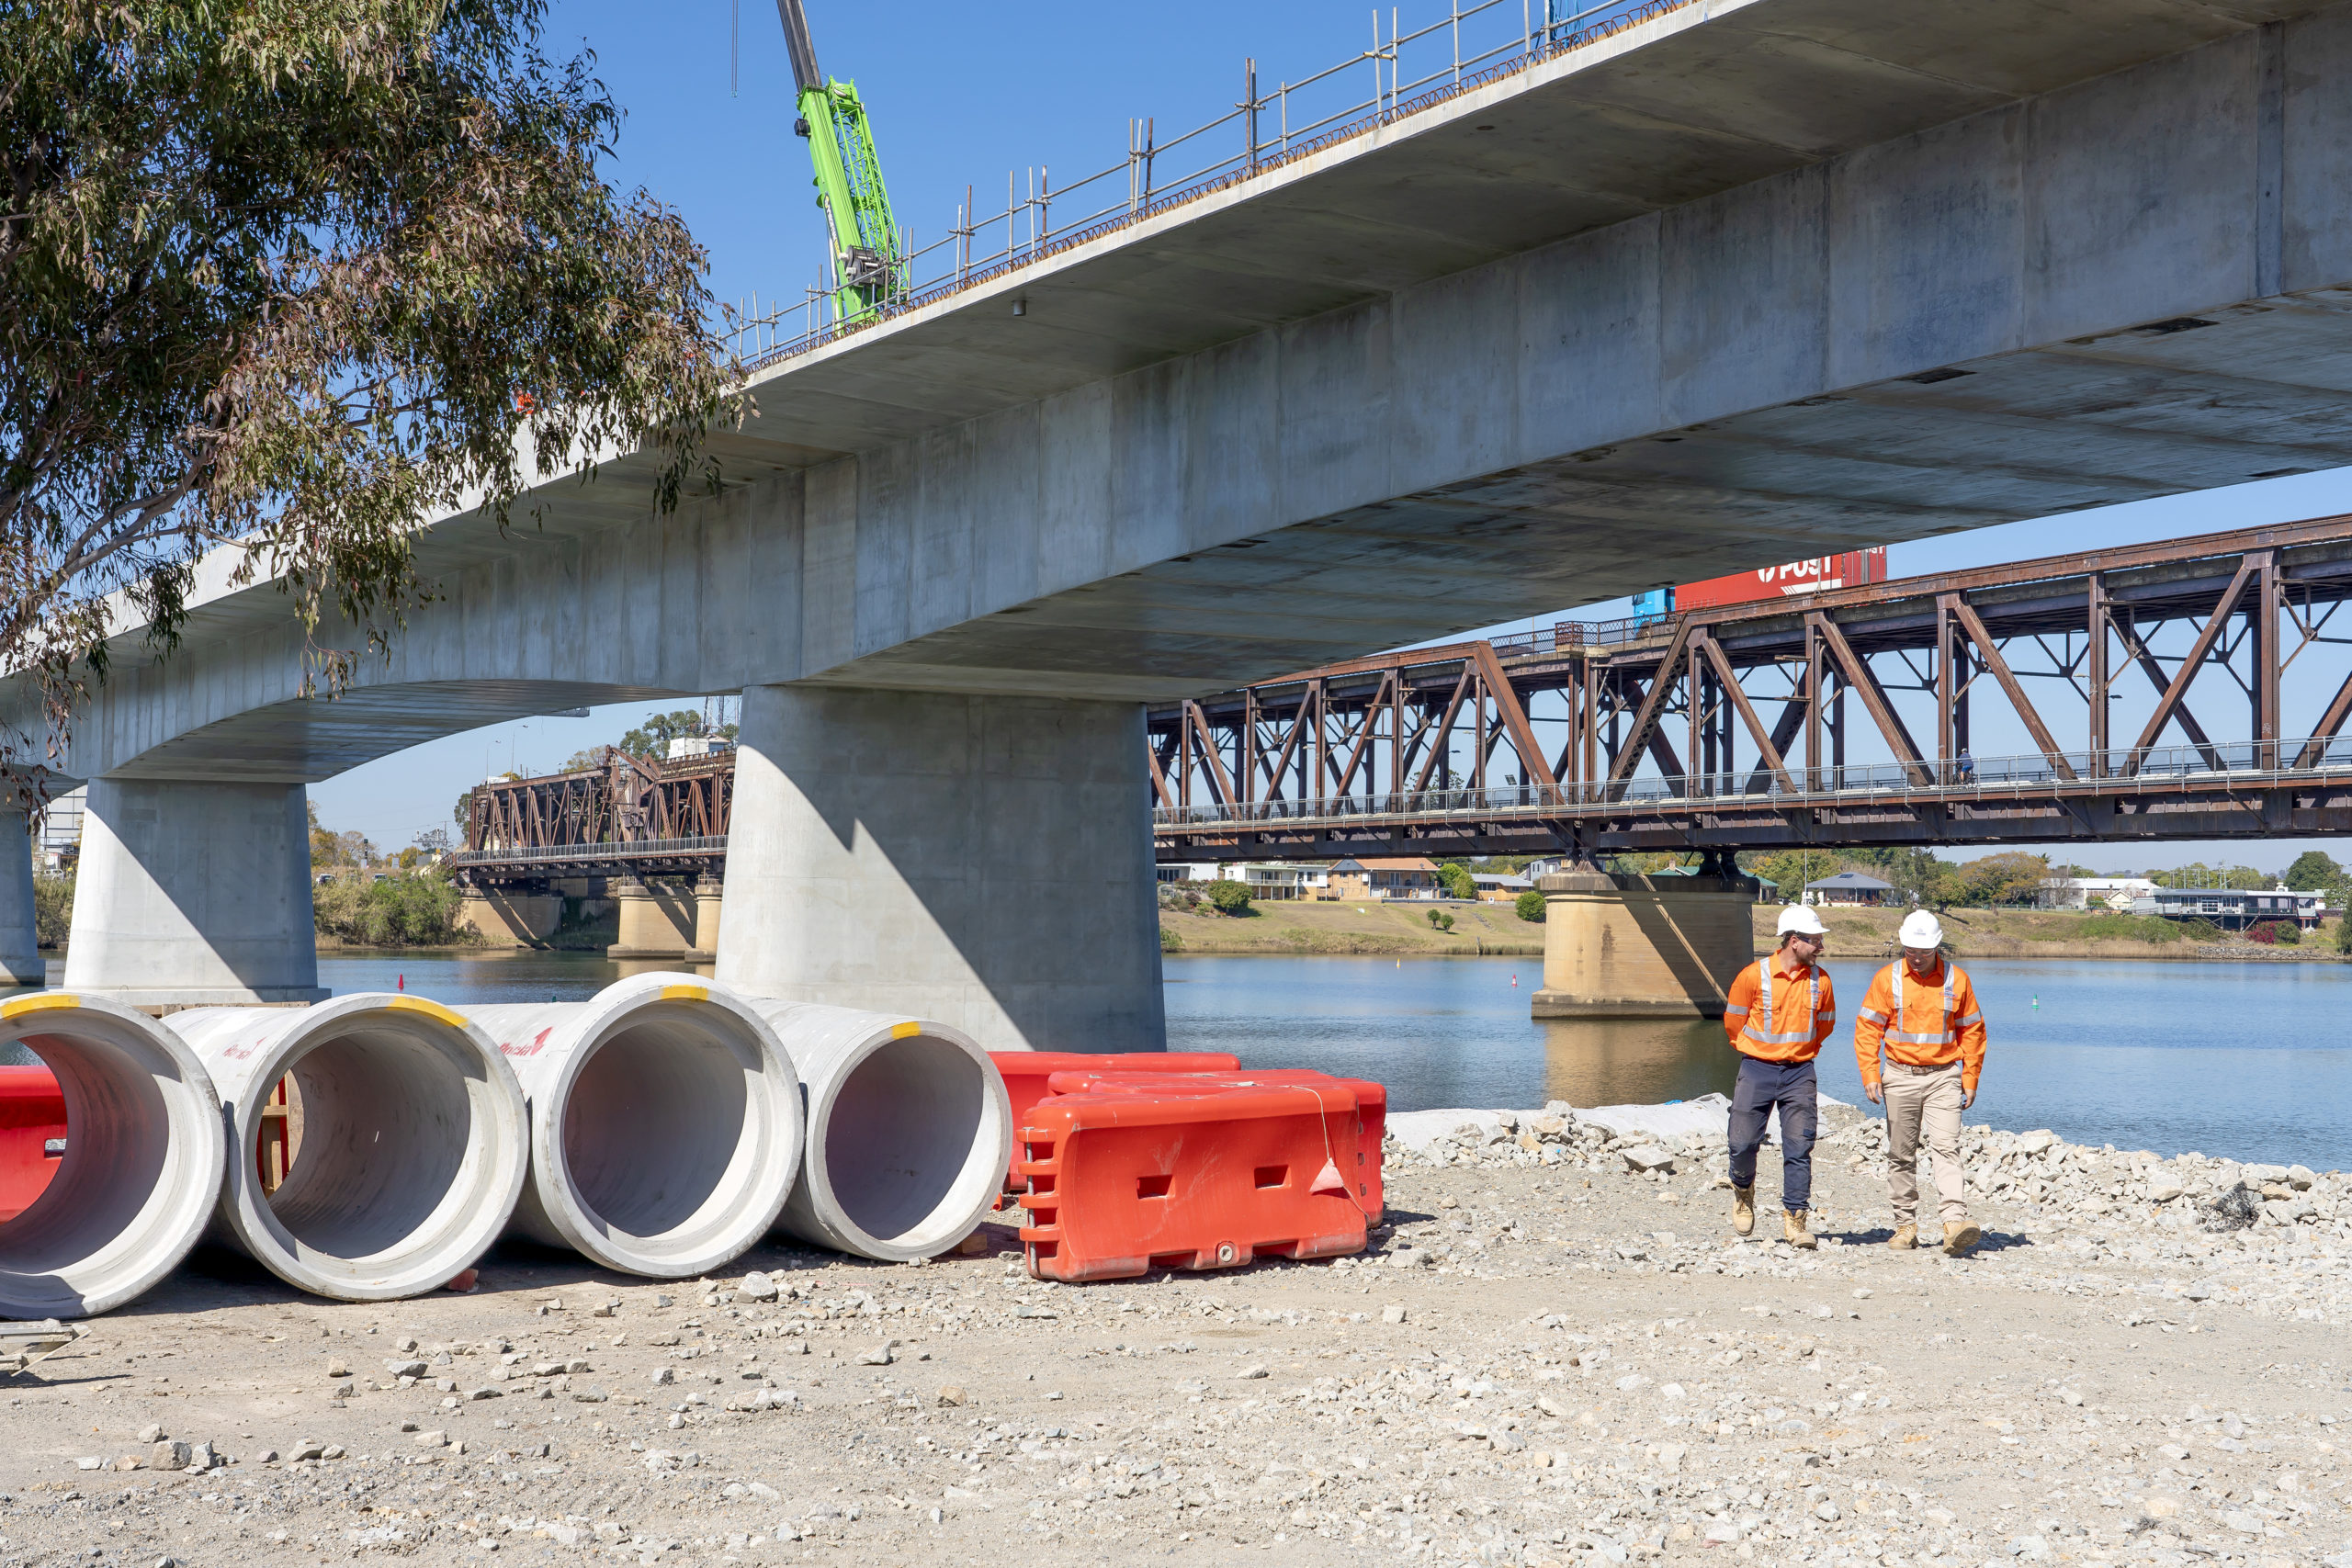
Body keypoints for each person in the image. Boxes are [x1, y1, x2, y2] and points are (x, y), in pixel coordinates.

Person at [1853, 909, 1986, 1257]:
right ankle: (1906, 1226)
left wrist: (1970, 1078)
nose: (1916, 956)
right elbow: (1868, 1028)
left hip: (1945, 1076)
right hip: (1899, 1076)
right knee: (1901, 1153)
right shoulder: (1888, 978)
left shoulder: (1958, 980)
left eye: (1923, 951)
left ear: (1937, 947)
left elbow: (1973, 1031)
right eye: (1911, 949)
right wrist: (1870, 1073)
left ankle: (1954, 1223)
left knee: (1947, 1147)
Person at [1722, 905, 1838, 1248]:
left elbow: (1825, 1025)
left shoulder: (1822, 980)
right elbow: (1733, 1023)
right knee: (1741, 1143)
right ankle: (1743, 1191)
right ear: (1792, 941)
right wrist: (1755, 1050)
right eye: (1815, 940)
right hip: (1756, 1068)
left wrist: (1800, 1053)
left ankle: (1796, 1219)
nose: (1821, 947)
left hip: (1800, 1072)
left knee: (1799, 1147)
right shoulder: (1752, 977)